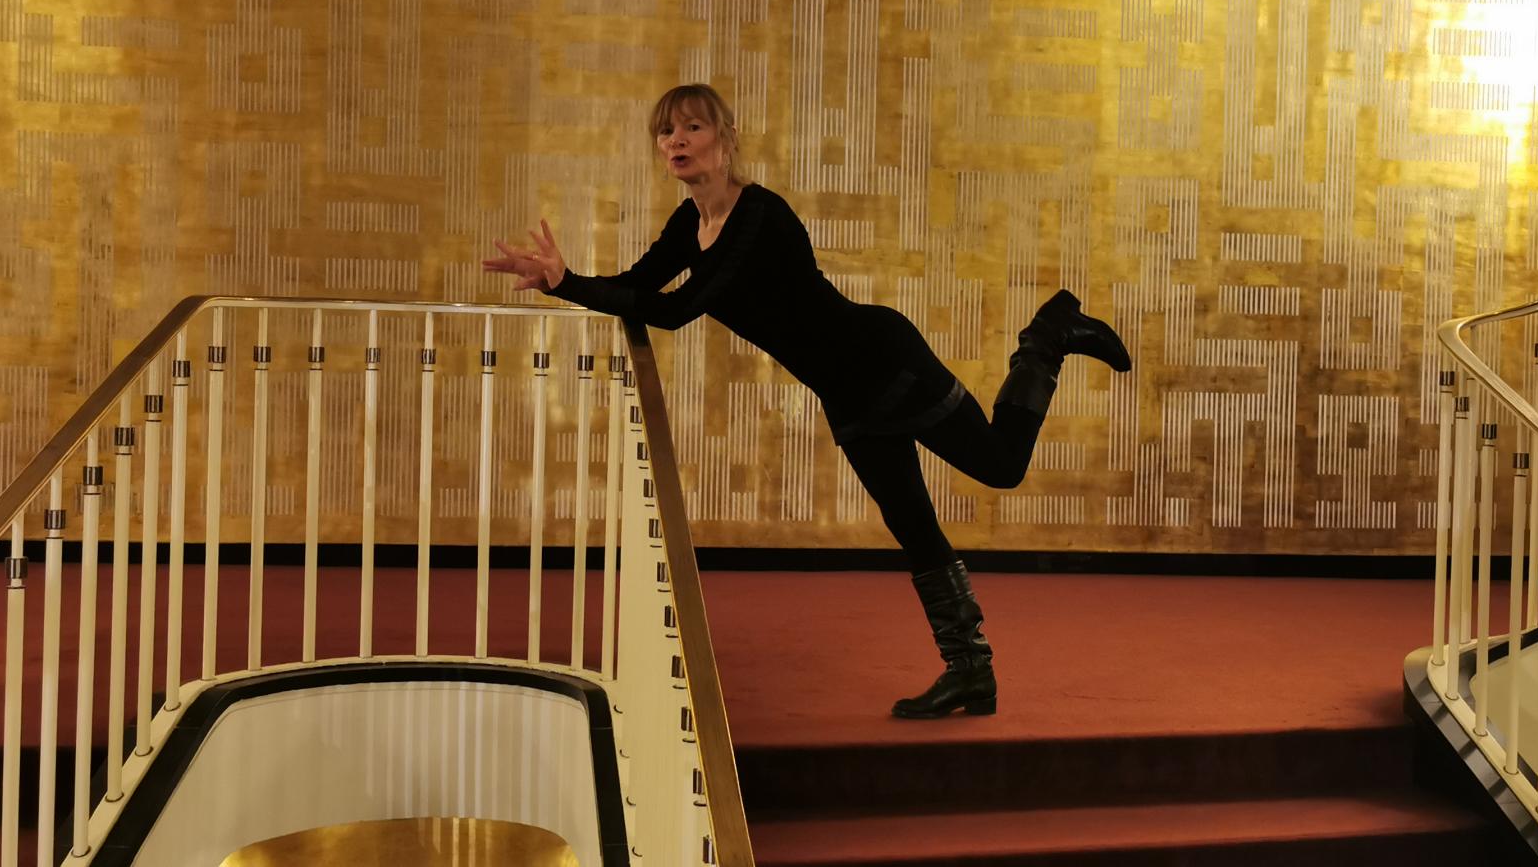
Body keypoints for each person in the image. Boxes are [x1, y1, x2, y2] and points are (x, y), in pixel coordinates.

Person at [483, 83, 1130, 719]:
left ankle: (1046, 338)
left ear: (727, 138)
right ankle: (971, 669)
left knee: (1001, 466)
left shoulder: (759, 215)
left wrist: (569, 283)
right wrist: (562, 281)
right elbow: (637, 286)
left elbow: (676, 309)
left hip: (885, 361)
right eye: (666, 130)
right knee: (913, 526)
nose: (675, 140)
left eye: (692, 127)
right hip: (845, 392)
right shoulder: (689, 224)